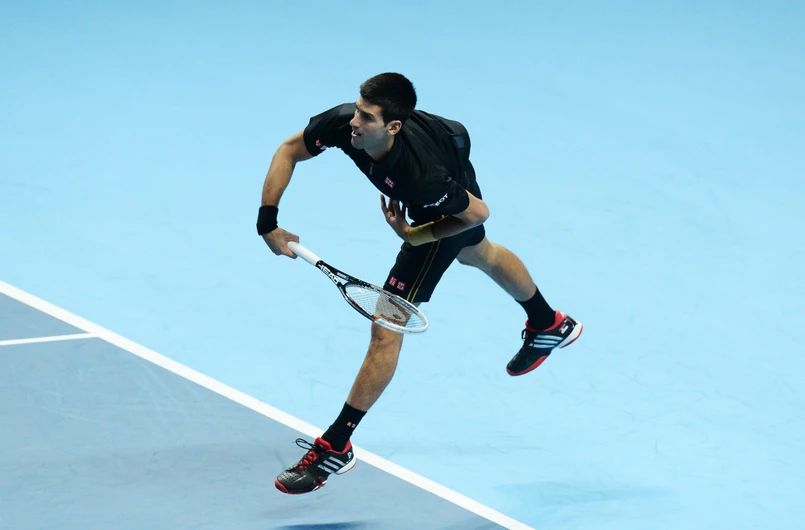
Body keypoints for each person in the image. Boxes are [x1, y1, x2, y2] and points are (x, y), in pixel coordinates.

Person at [257, 73, 583, 495]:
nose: (355, 122)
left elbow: (476, 213)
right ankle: (548, 324)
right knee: (477, 252)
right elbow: (289, 149)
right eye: (358, 109)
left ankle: (336, 445)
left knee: (386, 324)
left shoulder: (421, 177)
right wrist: (268, 222)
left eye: (367, 117)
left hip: (444, 205)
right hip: (449, 159)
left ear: (393, 126)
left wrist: (415, 235)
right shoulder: (344, 124)